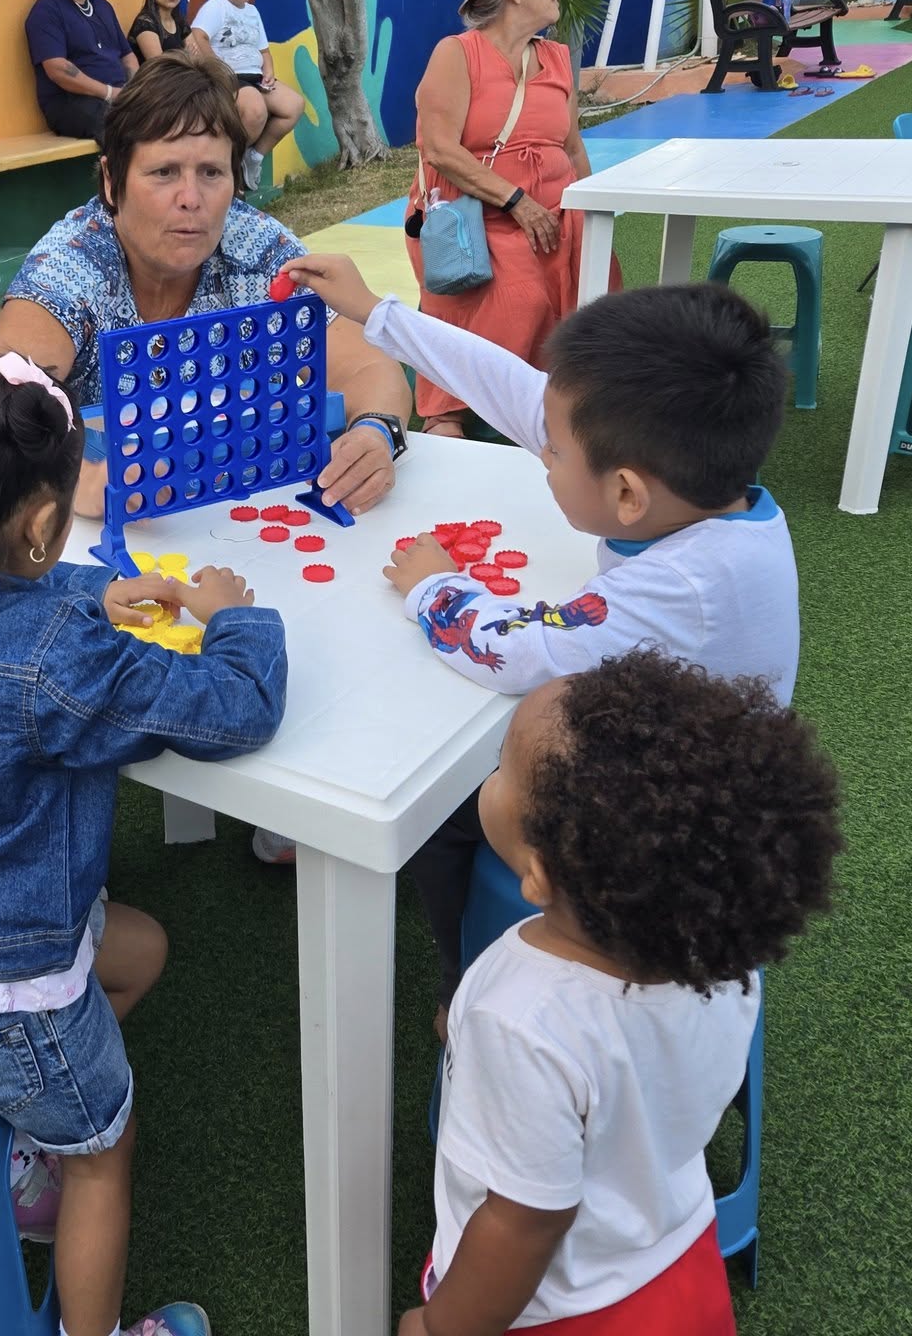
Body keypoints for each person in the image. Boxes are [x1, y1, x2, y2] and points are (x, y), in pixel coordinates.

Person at [0, 335, 287, 1336]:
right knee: (103, 1154)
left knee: (141, 949)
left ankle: (24, 1123)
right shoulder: (56, 665)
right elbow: (237, 711)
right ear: (43, 524)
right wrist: (235, 619)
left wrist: (89, 590)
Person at [282, 253, 800, 1031]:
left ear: (626, 494)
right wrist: (376, 312)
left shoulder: (682, 585)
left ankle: (463, 983)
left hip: (659, 836)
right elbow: (519, 392)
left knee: (447, 806)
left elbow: (513, 649)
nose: (540, 450)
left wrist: (435, 586)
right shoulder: (713, 498)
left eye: (552, 453)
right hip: (701, 778)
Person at [0, 53, 411, 868]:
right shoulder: (71, 264)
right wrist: (75, 477)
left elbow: (370, 368)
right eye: (164, 173)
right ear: (111, 182)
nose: (192, 198)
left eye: (212, 172)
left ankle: (302, 786)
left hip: (231, 526)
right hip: (103, 551)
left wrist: (375, 433)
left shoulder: (262, 252)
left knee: (333, 618)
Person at [396, 649, 843, 1336]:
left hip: (557, 1311)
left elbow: (524, 1224)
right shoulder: (725, 964)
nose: (491, 780)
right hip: (679, 1259)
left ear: (539, 872)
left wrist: (438, 1327)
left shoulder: (521, 1020)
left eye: (500, 771)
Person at [406, 0, 610, 439]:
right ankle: (448, 412)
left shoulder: (557, 58)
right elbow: (439, 149)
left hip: (558, 214)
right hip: (481, 219)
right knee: (521, 297)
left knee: (600, 286)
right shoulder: (458, 54)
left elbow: (572, 147)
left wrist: (596, 210)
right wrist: (517, 201)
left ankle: (568, 400)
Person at [189, 0, 305, 192]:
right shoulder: (216, 7)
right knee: (255, 110)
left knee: (294, 105)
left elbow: (264, 51)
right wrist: (216, 67)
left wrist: (269, 72)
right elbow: (198, 35)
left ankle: (253, 157)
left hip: (255, 77)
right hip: (229, 77)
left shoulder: (252, 12)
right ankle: (228, 164)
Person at [28, 0, 138, 142]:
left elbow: (127, 56)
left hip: (117, 97)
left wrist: (135, 91)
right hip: (71, 103)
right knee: (120, 121)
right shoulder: (46, 10)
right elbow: (57, 69)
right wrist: (110, 93)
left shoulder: (102, 5)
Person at [127, 0, 200, 62]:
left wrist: (188, 57)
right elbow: (161, 66)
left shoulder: (180, 21)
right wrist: (186, 56)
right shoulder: (145, 23)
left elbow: (197, 58)